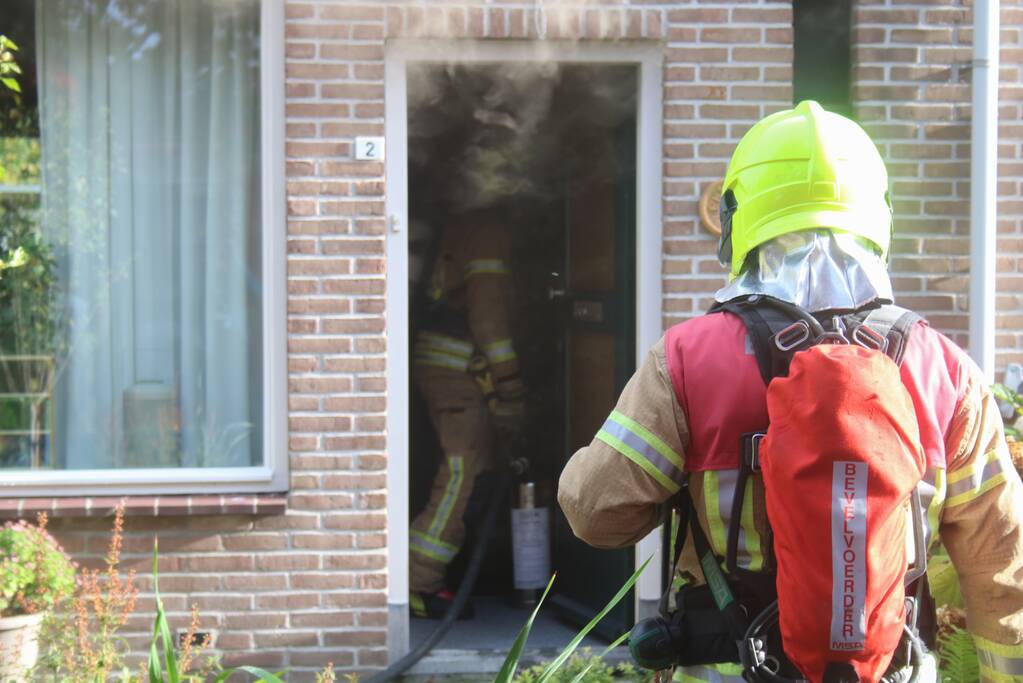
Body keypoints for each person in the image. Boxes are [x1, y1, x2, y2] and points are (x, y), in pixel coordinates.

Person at [558, 101, 1023, 682]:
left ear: (738, 221)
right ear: (877, 218)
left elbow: (594, 514)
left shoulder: (686, 362)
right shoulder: (947, 373)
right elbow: (1005, 570)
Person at [409, 208, 526, 619]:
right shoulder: (486, 232)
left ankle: (426, 577)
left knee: (466, 470)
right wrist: (510, 384)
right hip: (457, 373)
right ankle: (418, 582)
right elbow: (488, 317)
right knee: (461, 471)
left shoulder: (458, 227)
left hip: (449, 370)